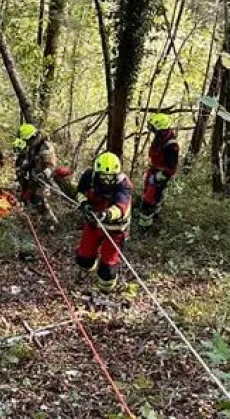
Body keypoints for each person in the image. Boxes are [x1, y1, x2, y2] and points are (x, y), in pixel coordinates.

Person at [75, 152, 132, 293]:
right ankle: (87, 269)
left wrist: (106, 214)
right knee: (84, 256)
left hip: (115, 229)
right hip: (94, 224)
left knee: (108, 266)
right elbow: (79, 192)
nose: (107, 180)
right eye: (103, 176)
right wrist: (85, 204)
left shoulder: (124, 184)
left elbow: (121, 207)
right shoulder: (89, 176)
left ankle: (105, 290)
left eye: (110, 177)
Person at [139, 113, 179, 231]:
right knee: (149, 194)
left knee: (149, 200)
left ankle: (144, 228)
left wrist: (159, 177)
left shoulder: (171, 146)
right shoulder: (160, 137)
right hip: (154, 170)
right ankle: (154, 215)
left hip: (161, 175)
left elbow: (171, 168)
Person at [14, 124, 59, 226]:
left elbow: (51, 165)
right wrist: (23, 169)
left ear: (33, 137)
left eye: (27, 140)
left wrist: (44, 174)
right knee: (29, 198)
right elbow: (30, 161)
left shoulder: (45, 146)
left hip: (45, 179)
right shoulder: (32, 147)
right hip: (34, 177)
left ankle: (52, 224)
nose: (27, 143)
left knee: (40, 200)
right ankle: (37, 222)